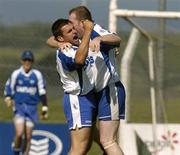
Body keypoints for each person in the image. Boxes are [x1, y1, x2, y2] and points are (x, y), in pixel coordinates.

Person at [48, 6, 125, 155]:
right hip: (78, 97)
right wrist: (60, 43)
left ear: (82, 22)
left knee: (103, 142)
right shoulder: (68, 48)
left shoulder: (90, 34)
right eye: (69, 30)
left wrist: (102, 40)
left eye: (72, 23)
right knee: (84, 146)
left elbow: (116, 38)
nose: (73, 29)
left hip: (103, 91)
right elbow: (77, 58)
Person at [52, 18, 97, 155]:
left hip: (89, 98)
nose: (74, 32)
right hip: (77, 99)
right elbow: (79, 60)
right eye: (69, 31)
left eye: (73, 28)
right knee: (79, 148)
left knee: (86, 145)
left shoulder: (79, 46)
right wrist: (88, 31)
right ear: (61, 38)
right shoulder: (66, 50)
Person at [4, 50, 48, 155]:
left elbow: (42, 91)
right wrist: (8, 97)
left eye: (29, 60)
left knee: (28, 137)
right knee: (19, 133)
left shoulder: (37, 75)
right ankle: (15, 153)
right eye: (25, 60)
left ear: (32, 61)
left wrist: (45, 107)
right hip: (19, 107)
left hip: (32, 108)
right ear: (22, 61)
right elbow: (8, 87)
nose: (27, 62)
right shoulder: (16, 74)